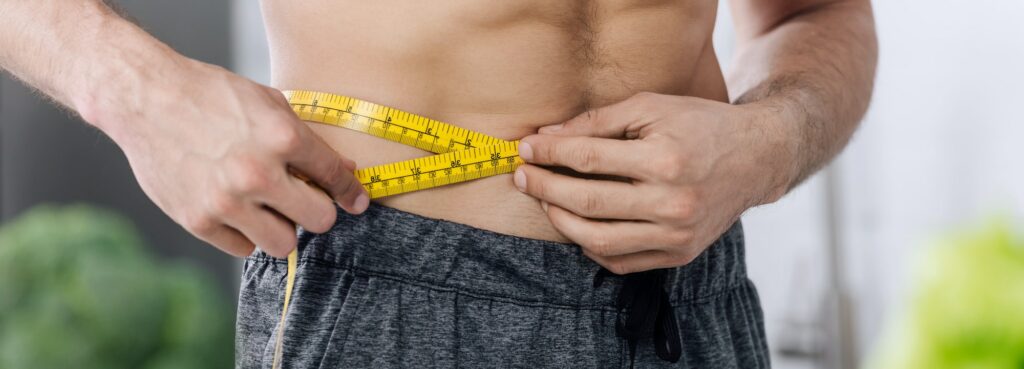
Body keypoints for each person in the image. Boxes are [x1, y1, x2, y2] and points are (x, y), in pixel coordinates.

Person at [0, 0, 877, 367]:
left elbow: (816, 15)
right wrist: (137, 93)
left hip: (695, 300)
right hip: (396, 294)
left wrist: (766, 141)